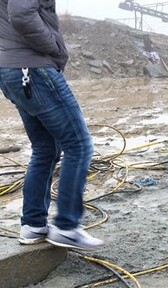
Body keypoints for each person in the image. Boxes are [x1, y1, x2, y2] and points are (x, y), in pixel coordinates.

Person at [0, 0, 103, 250]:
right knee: (79, 145)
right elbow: (22, 14)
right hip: (32, 68)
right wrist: (54, 47)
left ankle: (33, 224)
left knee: (45, 149)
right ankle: (67, 227)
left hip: (13, 69)